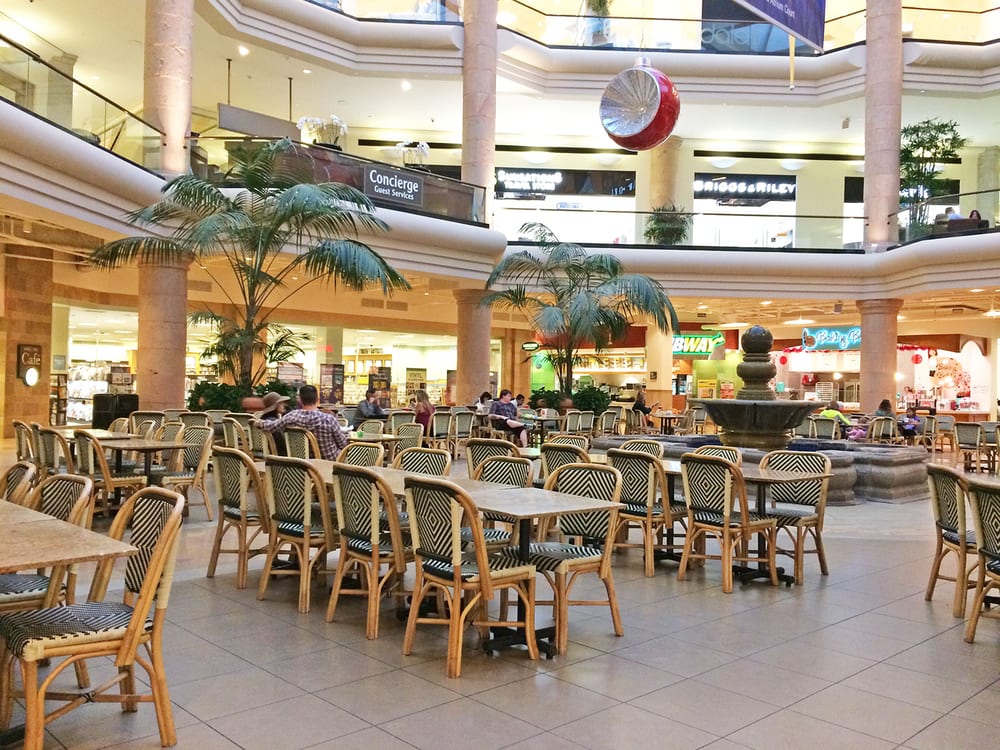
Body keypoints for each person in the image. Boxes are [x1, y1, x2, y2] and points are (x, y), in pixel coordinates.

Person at [257, 384, 347, 460]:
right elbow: (343, 444)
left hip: (301, 463)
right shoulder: (329, 419)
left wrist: (258, 422)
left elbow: (270, 426)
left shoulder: (291, 416)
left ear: (300, 400)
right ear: (317, 400)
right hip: (329, 462)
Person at [255, 390, 290, 455]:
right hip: (281, 457)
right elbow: (282, 445)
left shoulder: (264, 419)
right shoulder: (274, 424)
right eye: (280, 403)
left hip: (268, 455)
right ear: (275, 406)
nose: (283, 405)